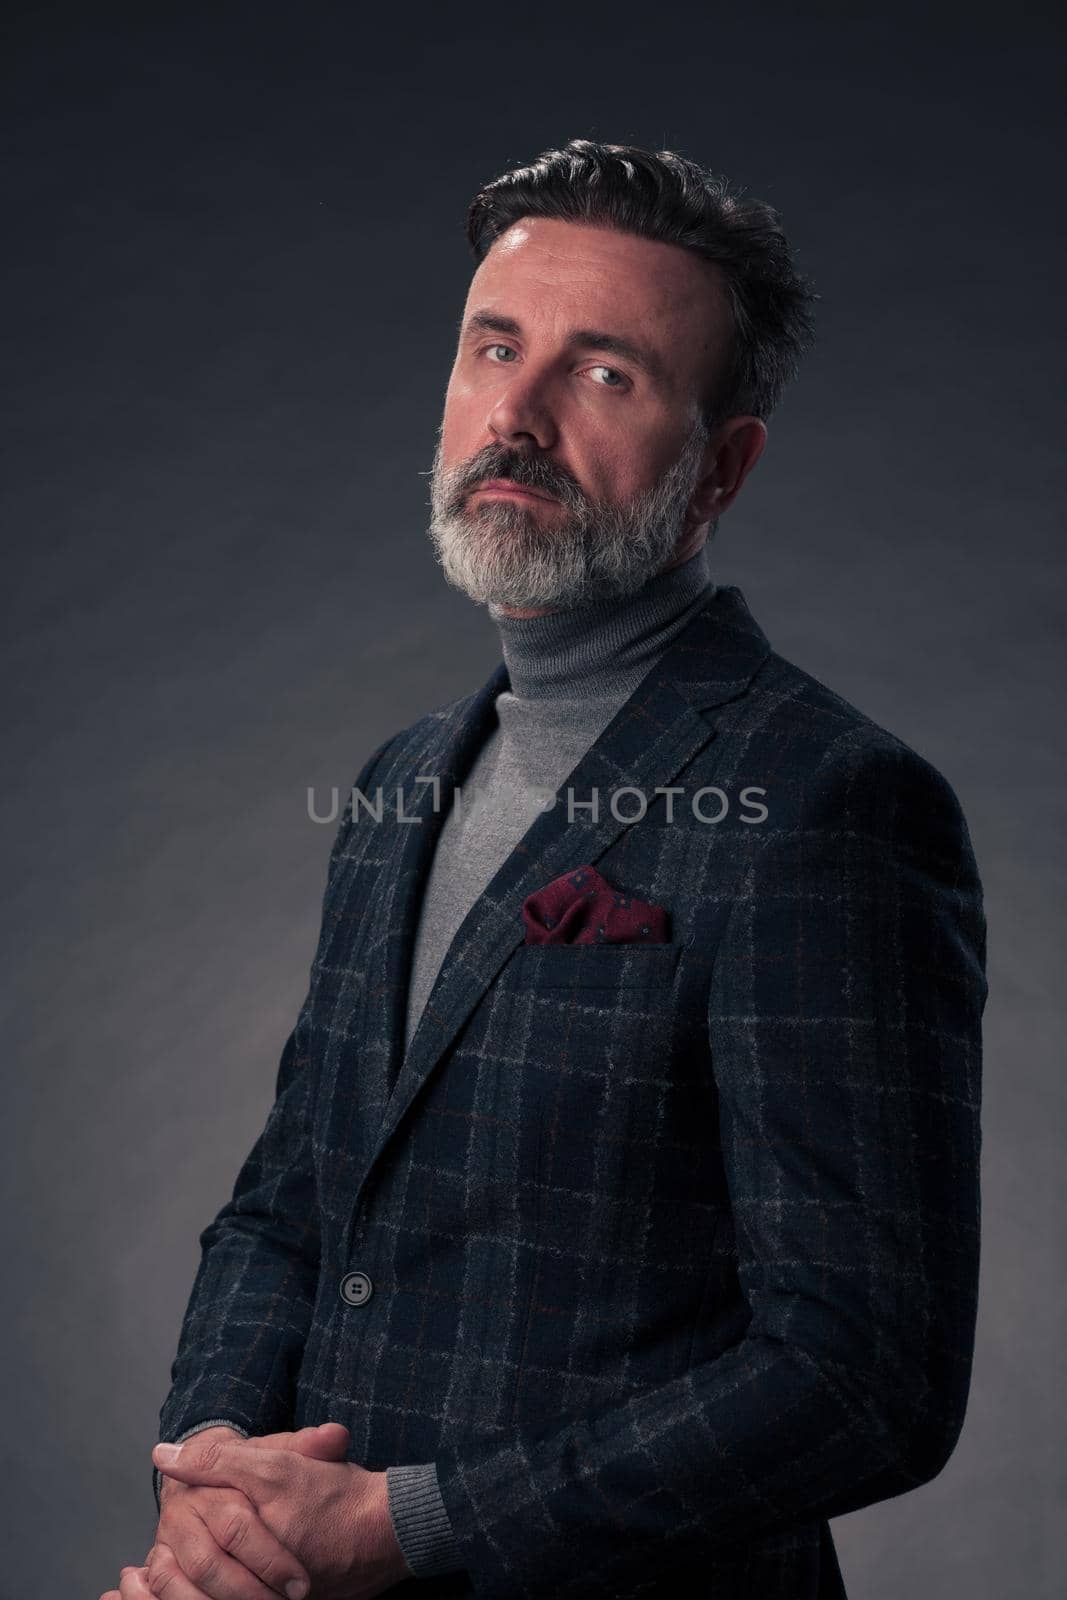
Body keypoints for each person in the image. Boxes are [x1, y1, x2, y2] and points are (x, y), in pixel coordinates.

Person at [103, 138, 986, 1600]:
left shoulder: (832, 801)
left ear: (723, 469)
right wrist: (217, 1492)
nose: (514, 413)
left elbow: (861, 1375)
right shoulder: (398, 781)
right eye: (493, 347)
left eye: (605, 373)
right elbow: (289, 1205)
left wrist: (404, 1526)